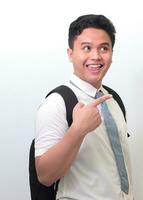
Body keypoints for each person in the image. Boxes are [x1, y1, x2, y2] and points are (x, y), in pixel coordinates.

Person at [34, 14, 133, 200]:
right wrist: (78, 130)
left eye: (104, 48)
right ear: (70, 54)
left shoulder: (114, 100)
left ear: (112, 53)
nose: (95, 56)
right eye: (86, 48)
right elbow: (45, 176)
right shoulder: (58, 102)